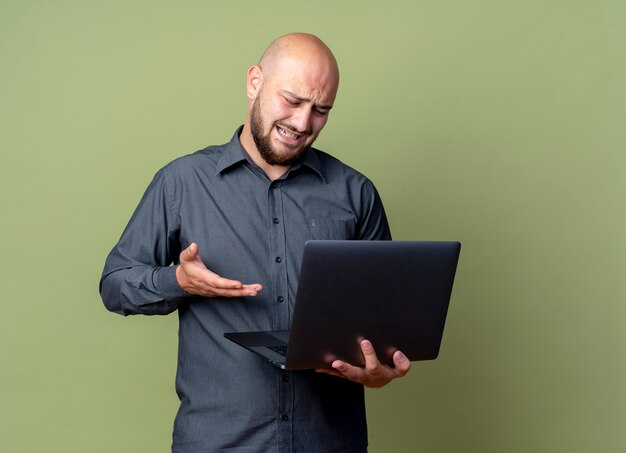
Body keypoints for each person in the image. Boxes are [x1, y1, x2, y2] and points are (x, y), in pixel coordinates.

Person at [100, 33, 411, 452]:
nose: (303, 124)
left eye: (321, 110)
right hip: (218, 443)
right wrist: (178, 281)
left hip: (329, 443)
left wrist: (379, 368)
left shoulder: (355, 194)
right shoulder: (182, 183)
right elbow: (115, 283)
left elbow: (383, 321)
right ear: (254, 82)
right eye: (293, 101)